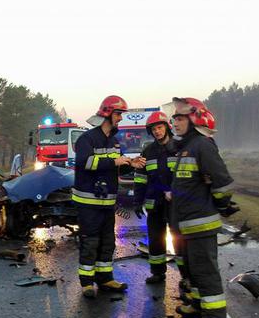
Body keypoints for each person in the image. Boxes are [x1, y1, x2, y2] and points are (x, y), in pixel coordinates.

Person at [169, 98, 238, 318]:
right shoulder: (187, 147)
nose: (174, 122)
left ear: (194, 119)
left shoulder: (203, 145)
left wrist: (223, 205)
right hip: (187, 222)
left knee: (205, 270)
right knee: (192, 268)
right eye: (174, 118)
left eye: (179, 118)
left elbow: (221, 181)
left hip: (200, 222)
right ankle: (198, 304)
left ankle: (213, 315)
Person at [73, 95, 146, 298]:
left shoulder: (114, 142)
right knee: (90, 241)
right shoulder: (86, 139)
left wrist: (128, 164)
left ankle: (105, 278)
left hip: (108, 201)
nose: (121, 119)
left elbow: (115, 171)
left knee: (107, 241)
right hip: (88, 201)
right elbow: (85, 163)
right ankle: (87, 282)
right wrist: (114, 162)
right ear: (107, 113)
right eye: (119, 114)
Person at [133, 111, 189, 285]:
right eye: (154, 129)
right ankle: (157, 273)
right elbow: (141, 178)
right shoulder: (148, 150)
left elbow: (186, 176)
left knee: (180, 241)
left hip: (175, 203)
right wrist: (137, 200)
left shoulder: (180, 148)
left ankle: (186, 277)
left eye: (159, 127)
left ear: (167, 127)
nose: (157, 131)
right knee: (156, 240)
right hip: (154, 203)